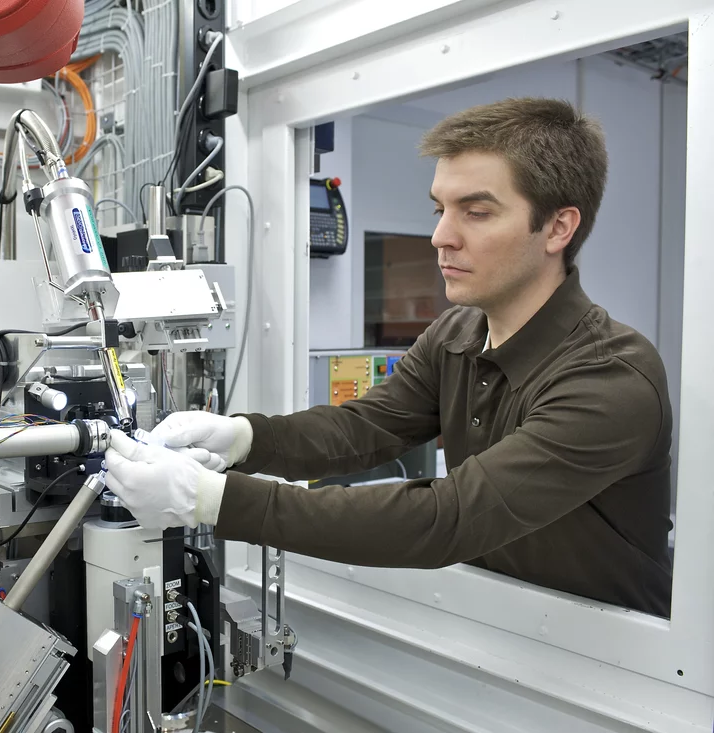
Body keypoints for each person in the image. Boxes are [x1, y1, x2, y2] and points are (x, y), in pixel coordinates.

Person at [104, 97, 674, 617]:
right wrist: (244, 439)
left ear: (557, 227)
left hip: (616, 663)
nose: (441, 237)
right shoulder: (458, 333)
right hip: (497, 630)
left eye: (476, 212)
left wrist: (209, 499)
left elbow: (444, 518)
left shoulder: (610, 379)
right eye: (440, 210)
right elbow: (363, 428)